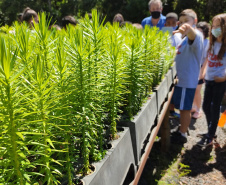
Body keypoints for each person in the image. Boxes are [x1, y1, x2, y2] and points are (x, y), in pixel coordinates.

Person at [170, 9, 204, 144]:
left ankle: (182, 134)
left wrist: (189, 29)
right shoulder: (181, 38)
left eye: (187, 21)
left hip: (187, 80)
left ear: (194, 21)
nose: (183, 24)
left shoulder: (197, 36)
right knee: (177, 106)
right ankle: (181, 129)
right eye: (181, 22)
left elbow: (192, 35)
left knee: (185, 109)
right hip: (179, 79)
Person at [197, 13, 226, 147]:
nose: (214, 29)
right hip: (209, 80)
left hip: (220, 82)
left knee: (215, 108)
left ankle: (210, 134)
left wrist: (223, 77)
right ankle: (211, 131)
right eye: (213, 26)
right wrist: (202, 72)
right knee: (205, 106)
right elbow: (207, 59)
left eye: (218, 26)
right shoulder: (211, 42)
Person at [191, 22, 210, 119]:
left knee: (197, 90)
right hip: (193, 66)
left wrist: (202, 71)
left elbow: (207, 57)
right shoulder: (194, 40)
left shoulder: (207, 42)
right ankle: (194, 106)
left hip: (201, 67)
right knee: (193, 89)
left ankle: (198, 109)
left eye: (201, 31)